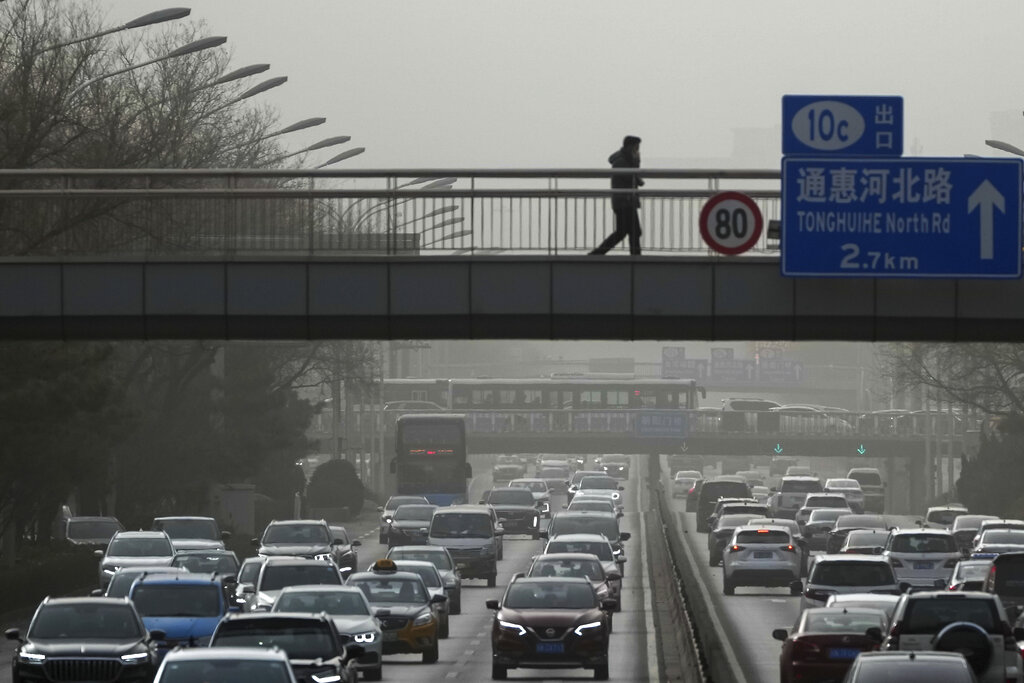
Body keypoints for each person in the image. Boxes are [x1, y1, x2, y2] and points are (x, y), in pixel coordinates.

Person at [590, 135, 644, 255]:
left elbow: (633, 177)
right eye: (636, 147)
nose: (638, 150)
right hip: (624, 201)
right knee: (628, 231)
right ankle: (598, 253)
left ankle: (598, 253)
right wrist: (637, 163)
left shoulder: (626, 159)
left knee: (630, 231)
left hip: (626, 200)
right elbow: (630, 177)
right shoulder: (621, 161)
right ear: (630, 147)